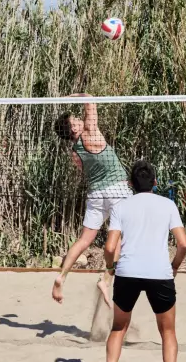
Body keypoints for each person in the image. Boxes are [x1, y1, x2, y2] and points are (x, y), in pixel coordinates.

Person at [102, 160, 186, 362]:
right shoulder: (168, 205)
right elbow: (183, 244)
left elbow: (109, 247)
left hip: (127, 272)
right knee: (168, 331)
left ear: (130, 184)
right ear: (155, 182)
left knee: (118, 328)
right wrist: (174, 266)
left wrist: (110, 267)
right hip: (159, 273)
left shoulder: (121, 207)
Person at [51, 94, 131, 306]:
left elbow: (84, 170)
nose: (79, 119)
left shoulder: (74, 152)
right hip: (116, 189)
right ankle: (106, 279)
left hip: (95, 194)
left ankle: (62, 276)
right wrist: (71, 97)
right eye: (75, 120)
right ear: (74, 128)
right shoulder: (91, 132)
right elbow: (90, 100)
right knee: (120, 237)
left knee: (84, 240)